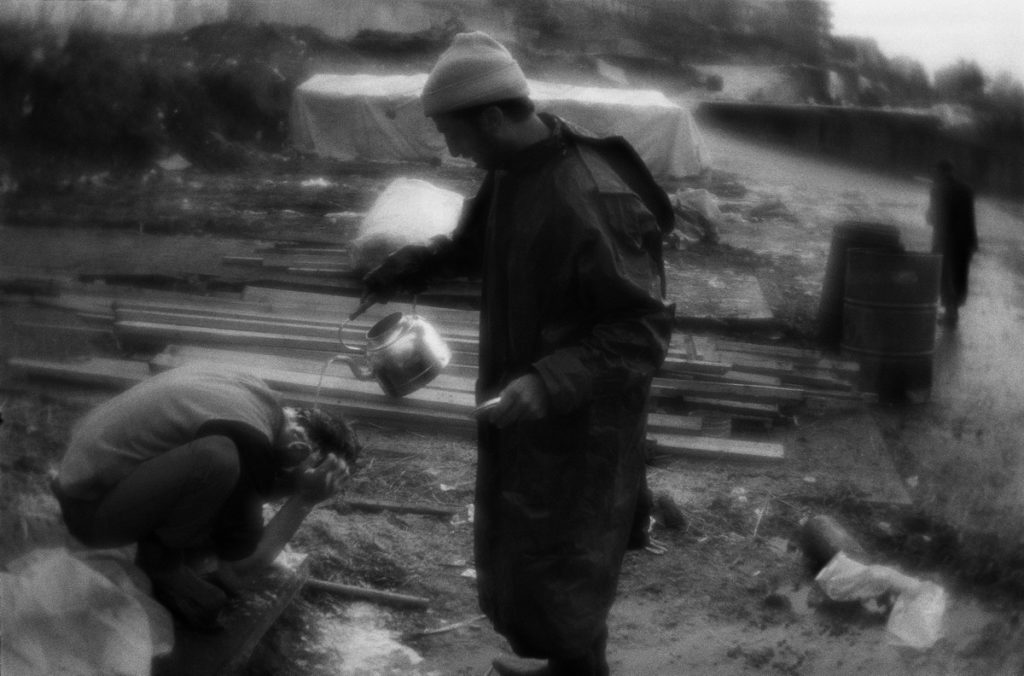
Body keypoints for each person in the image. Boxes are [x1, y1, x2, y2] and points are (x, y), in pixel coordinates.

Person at [362, 31, 674, 676]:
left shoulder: (590, 196)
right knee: (528, 549)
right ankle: (560, 666)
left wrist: (549, 381)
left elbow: (641, 329)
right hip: (527, 403)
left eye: (456, 134)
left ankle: (578, 669)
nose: (452, 149)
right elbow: (476, 245)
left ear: (496, 116)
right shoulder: (512, 173)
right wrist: (413, 267)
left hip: (582, 423)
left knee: (570, 563)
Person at [51, 365, 359, 629]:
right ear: (300, 451)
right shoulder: (249, 442)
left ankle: (165, 547)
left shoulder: (256, 397)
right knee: (218, 459)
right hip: (89, 515)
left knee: (221, 470)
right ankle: (161, 565)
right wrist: (304, 499)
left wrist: (291, 484)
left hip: (88, 478)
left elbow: (252, 486)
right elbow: (239, 568)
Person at [927, 159, 978, 327]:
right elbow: (970, 218)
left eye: (935, 172)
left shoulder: (939, 189)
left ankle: (950, 316)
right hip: (965, 241)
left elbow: (933, 218)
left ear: (940, 172)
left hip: (946, 241)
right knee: (959, 277)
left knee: (945, 277)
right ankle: (953, 314)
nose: (933, 175)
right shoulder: (966, 189)